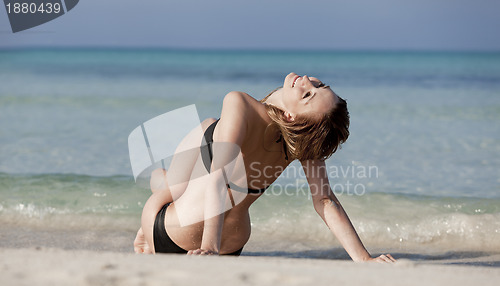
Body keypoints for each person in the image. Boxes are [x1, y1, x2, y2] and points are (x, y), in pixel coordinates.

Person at [133, 72, 396, 263]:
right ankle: (164, 183)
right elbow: (324, 200)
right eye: (319, 85)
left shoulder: (239, 103)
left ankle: (149, 217)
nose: (306, 79)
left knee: (199, 139)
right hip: (233, 245)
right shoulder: (304, 142)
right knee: (208, 131)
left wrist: (209, 249)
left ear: (292, 117)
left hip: (175, 234)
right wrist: (364, 259)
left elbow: (217, 180)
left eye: (307, 94)